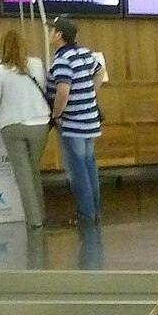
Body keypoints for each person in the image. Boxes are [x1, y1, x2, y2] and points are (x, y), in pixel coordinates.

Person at [0, 29, 52, 227]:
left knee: (23, 175)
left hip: (13, 126)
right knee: (33, 170)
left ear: (2, 47)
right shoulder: (36, 64)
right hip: (40, 125)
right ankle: (41, 213)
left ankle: (35, 220)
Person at [47, 16, 104, 225]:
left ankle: (85, 214)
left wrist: (56, 114)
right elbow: (100, 71)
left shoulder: (62, 60)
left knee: (78, 170)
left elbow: (63, 91)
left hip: (73, 123)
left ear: (59, 35)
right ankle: (95, 211)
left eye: (52, 31)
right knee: (89, 166)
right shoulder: (85, 53)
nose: (49, 34)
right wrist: (90, 94)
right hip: (89, 120)